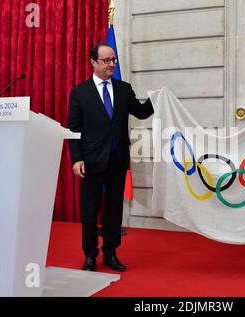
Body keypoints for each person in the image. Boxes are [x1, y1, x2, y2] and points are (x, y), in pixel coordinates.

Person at [68, 42, 154, 272]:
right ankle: (89, 254)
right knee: (89, 210)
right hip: (91, 161)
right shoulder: (79, 92)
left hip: (117, 160)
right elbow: (73, 129)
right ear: (93, 62)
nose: (111, 64)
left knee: (115, 210)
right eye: (106, 60)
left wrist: (159, 98)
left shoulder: (124, 89)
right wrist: (76, 159)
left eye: (113, 59)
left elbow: (142, 112)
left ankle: (110, 253)